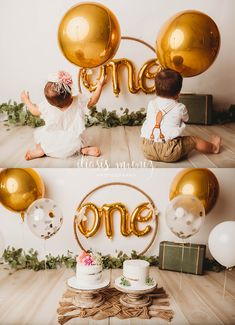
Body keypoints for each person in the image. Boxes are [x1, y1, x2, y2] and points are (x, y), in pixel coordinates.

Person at [21, 71, 105, 160]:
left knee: (40, 138)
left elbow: (34, 111)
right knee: (80, 137)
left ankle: (40, 150)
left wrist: (26, 100)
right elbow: (93, 101)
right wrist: (99, 86)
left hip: (51, 142)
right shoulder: (78, 101)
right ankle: (83, 149)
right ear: (70, 92)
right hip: (73, 142)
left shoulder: (46, 106)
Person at [141, 69, 221, 162]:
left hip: (147, 148)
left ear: (155, 89)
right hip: (169, 152)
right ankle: (214, 148)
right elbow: (186, 119)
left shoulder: (151, 103)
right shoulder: (179, 107)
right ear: (178, 93)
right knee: (194, 140)